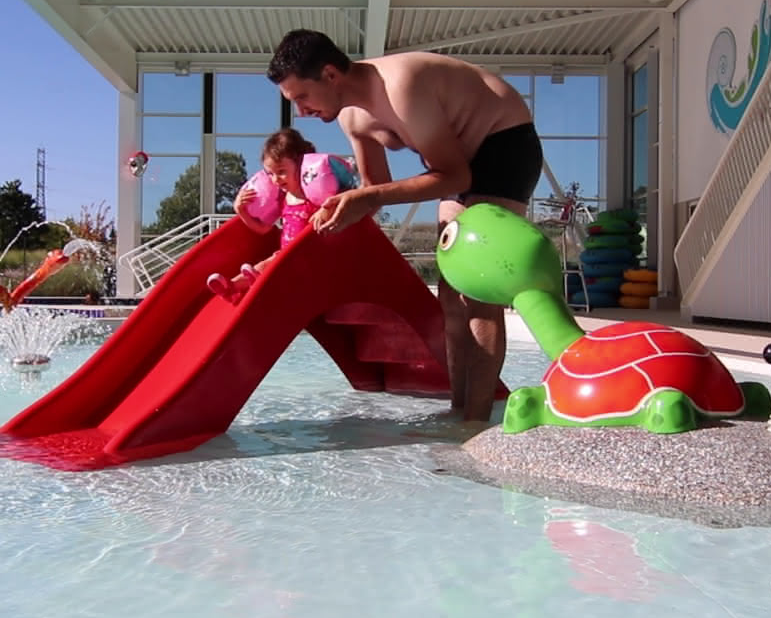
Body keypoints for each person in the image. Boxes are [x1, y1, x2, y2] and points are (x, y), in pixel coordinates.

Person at [265, 29, 543, 422]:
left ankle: (475, 421)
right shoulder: (351, 116)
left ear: (330, 75)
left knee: (477, 293)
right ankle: (460, 411)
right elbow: (374, 190)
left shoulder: (400, 88)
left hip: (503, 144)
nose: (301, 112)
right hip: (458, 165)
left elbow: (455, 178)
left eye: (301, 97)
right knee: (450, 297)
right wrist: (324, 225)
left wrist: (368, 199)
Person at [206, 126, 338, 304]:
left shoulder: (316, 195)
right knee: (268, 263)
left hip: (312, 260)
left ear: (300, 164)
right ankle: (232, 287)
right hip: (288, 256)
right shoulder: (283, 198)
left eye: (282, 171)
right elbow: (262, 230)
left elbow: (342, 205)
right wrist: (241, 211)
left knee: (270, 264)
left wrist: (325, 209)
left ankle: (249, 283)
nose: (276, 179)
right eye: (270, 173)